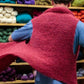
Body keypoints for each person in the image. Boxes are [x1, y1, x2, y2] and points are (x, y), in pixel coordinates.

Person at [0, 0, 84, 84]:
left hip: (42, 80)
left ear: (52, 2)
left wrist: (31, 46)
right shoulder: (77, 25)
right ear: (69, 4)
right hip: (65, 80)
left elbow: (12, 38)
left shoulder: (36, 22)